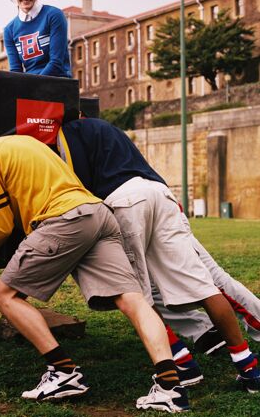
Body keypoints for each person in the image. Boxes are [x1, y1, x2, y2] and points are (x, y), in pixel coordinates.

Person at [0, 132, 189, 413]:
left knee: (4, 295)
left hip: (64, 220)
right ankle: (170, 387)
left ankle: (63, 372)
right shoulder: (18, 142)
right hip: (97, 213)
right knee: (133, 299)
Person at [57, 117, 260, 393]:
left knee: (136, 295)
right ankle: (248, 368)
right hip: (159, 193)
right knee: (206, 286)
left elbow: (76, 182)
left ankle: (181, 362)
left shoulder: (66, 132)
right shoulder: (106, 127)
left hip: (124, 200)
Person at [3, 0, 71, 78]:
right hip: (30, 88)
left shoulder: (54, 15)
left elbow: (56, 62)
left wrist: (32, 86)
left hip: (58, 83)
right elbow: (15, 70)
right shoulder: (9, 30)